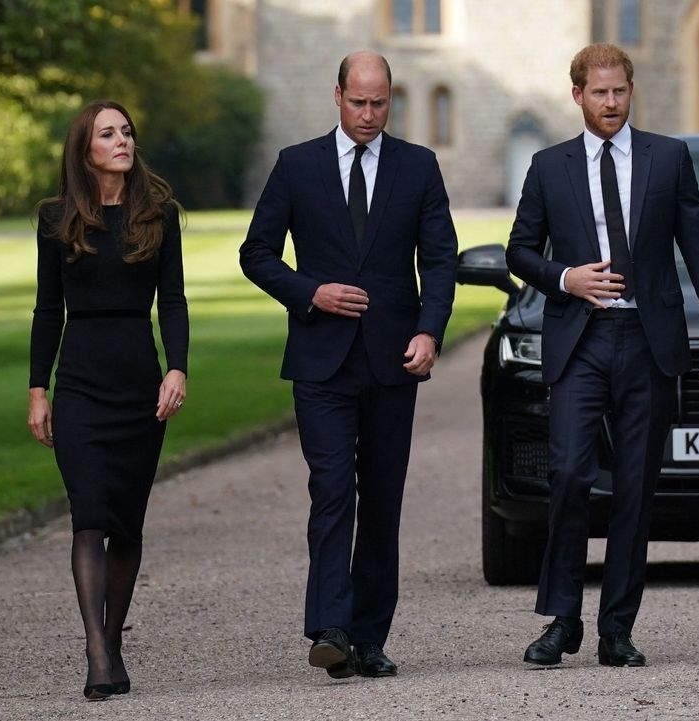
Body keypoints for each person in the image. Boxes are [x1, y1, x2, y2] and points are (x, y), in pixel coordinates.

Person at [505, 43, 699, 668]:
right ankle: (562, 619)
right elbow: (519, 251)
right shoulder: (549, 166)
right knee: (571, 474)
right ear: (576, 94)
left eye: (620, 91)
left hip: (648, 341)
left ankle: (617, 629)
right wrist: (565, 279)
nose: (610, 103)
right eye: (598, 92)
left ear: (631, 91)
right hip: (580, 339)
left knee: (636, 487)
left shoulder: (669, 157)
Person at [239, 51, 458, 679]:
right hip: (321, 360)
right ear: (337, 96)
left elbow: (440, 259)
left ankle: (368, 638)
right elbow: (256, 253)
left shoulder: (418, 167)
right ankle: (330, 627)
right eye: (358, 102)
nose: (368, 115)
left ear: (392, 100)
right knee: (331, 489)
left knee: (382, 501)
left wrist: (429, 331)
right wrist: (311, 293)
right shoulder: (297, 165)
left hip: (394, 360)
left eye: (380, 103)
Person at [27, 100, 188, 700]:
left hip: (139, 386)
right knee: (89, 516)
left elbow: (172, 301)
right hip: (81, 385)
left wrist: (178, 369)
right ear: (85, 148)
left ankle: (112, 640)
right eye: (108, 133)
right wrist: (38, 387)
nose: (122, 140)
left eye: (127, 131)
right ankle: (98, 654)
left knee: (126, 523)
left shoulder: (159, 214)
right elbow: (48, 310)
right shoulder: (55, 218)